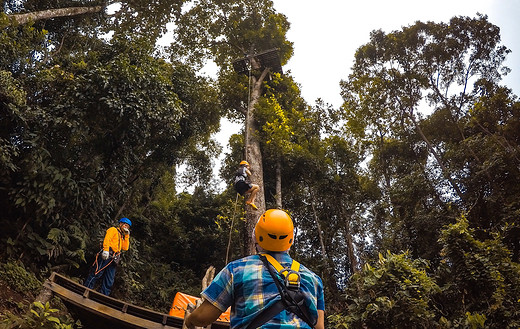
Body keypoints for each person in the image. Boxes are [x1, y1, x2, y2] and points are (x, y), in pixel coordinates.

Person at [184, 209, 325, 329]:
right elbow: (318, 326)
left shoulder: (236, 270)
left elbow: (203, 317)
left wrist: (189, 320)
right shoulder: (314, 279)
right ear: (291, 239)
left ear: (255, 236)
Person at [84, 217, 131, 296]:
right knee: (97, 272)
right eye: (124, 225)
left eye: (127, 226)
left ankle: (103, 295)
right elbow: (107, 239)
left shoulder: (122, 236)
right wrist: (106, 250)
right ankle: (86, 289)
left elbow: (125, 248)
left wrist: (126, 236)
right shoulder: (113, 230)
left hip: (114, 257)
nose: (125, 227)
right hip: (108, 253)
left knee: (109, 279)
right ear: (120, 224)